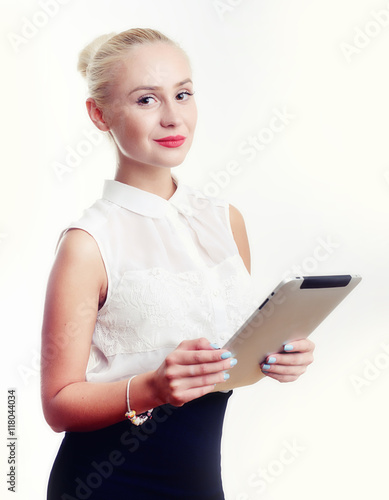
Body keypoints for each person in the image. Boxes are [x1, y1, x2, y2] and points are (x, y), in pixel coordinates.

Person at [41, 28, 315, 500]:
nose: (173, 117)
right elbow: (58, 404)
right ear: (99, 114)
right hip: (105, 484)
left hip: (200, 482)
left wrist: (275, 356)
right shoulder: (87, 243)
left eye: (183, 94)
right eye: (146, 100)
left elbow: (227, 360)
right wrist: (152, 386)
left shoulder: (226, 221)